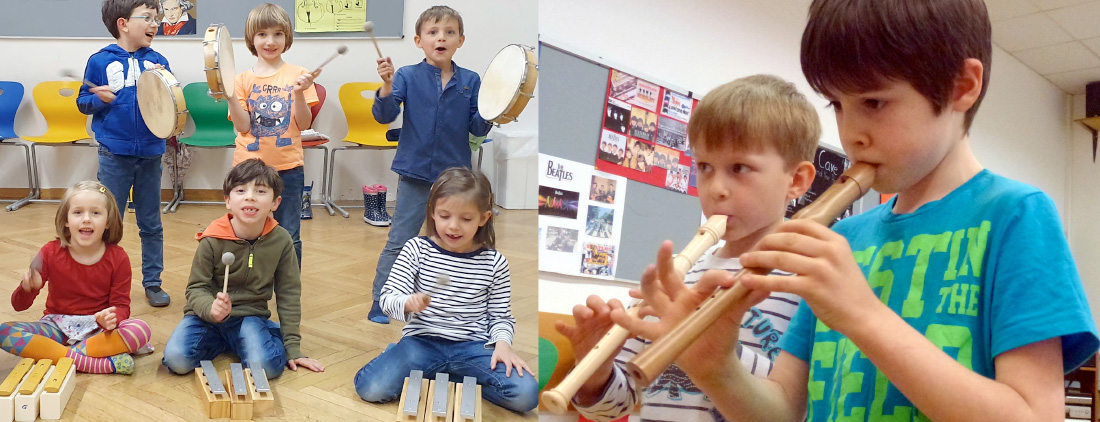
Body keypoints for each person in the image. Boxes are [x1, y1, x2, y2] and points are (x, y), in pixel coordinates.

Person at [613, 1, 1100, 421]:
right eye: (838, 105)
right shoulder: (843, 239)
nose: (851, 134)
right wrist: (716, 366)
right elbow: (782, 409)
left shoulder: (1015, 215)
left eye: (873, 102)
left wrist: (863, 315)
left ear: (961, 86)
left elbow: (1035, 414)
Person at [557, 75, 818, 421]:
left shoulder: (805, 279)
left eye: (739, 168)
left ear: (796, 181)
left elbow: (796, 406)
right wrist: (596, 370)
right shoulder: (679, 276)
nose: (716, 188)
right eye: (705, 167)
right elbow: (615, 407)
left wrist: (713, 347)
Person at [353, 168, 537, 413]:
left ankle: (454, 374)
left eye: (466, 219)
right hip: (422, 343)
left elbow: (500, 316)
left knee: (526, 395)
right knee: (371, 388)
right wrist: (408, 302)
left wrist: (503, 344)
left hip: (474, 347)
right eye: (444, 215)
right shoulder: (416, 249)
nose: (453, 226)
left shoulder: (495, 263)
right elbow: (388, 298)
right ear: (432, 212)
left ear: (484, 218)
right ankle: (407, 359)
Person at [368, 5, 492, 323]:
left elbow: (477, 127)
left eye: (449, 32)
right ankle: (382, 302)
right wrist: (385, 85)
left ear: (460, 40)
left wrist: (495, 109)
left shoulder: (471, 80)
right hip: (414, 173)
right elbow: (383, 115)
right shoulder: (407, 76)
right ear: (418, 40)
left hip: (456, 180)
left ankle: (450, 305)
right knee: (399, 242)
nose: (441, 38)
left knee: (454, 243)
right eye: (433, 32)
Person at [162, 159, 324, 378]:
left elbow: (289, 293)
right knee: (177, 360)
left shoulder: (282, 241)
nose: (250, 196)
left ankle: (259, 335)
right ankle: (230, 341)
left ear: (275, 203)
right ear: (228, 201)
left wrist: (293, 347)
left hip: (249, 316)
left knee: (267, 368)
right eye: (241, 190)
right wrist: (211, 308)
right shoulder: (211, 239)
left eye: (260, 191)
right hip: (204, 318)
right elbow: (195, 289)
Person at [77, 0, 171, 307]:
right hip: (113, 155)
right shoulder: (99, 61)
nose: (155, 24)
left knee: (151, 223)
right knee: (106, 221)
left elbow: (169, 106)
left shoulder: (158, 60)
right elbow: (83, 102)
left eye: (156, 18)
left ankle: (153, 283)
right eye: (147, 17)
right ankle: (102, 284)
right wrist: (100, 99)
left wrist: (167, 88)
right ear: (123, 23)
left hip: (151, 154)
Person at [3, 181, 152, 375]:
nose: (87, 219)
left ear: (108, 222)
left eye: (96, 213)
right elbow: (18, 306)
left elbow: (121, 306)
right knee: (5, 332)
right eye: (78, 212)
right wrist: (27, 289)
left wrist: (110, 320)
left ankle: (59, 357)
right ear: (66, 219)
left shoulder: (118, 257)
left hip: (98, 331)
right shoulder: (49, 251)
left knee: (140, 329)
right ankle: (96, 363)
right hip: (56, 327)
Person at [226, 3, 319, 268]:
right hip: (248, 171)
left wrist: (299, 92)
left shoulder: (299, 75)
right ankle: (248, 287)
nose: (270, 41)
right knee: (245, 232)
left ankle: (289, 289)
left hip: (288, 169)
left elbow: (303, 124)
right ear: (251, 39)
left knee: (290, 234)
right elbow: (243, 127)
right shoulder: (241, 79)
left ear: (287, 37)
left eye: (278, 34)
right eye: (263, 34)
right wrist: (231, 97)